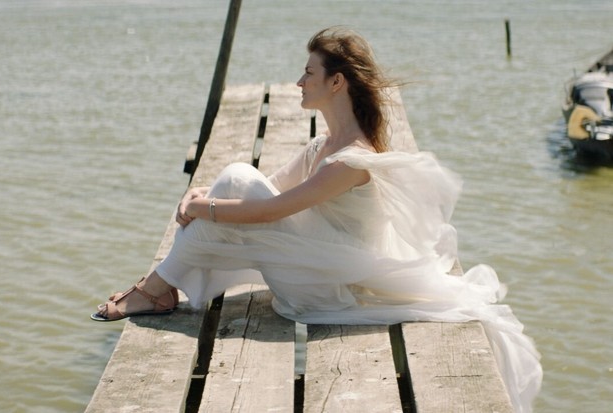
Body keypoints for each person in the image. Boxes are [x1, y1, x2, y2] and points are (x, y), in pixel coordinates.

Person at [91, 27, 542, 412]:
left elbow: (270, 209)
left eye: (309, 72)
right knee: (227, 191)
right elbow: (265, 187)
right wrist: (200, 196)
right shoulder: (322, 148)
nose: (298, 82)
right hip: (314, 266)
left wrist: (198, 205)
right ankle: (157, 289)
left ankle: (154, 290)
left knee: (227, 191)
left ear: (337, 82)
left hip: (323, 288)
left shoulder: (352, 160)